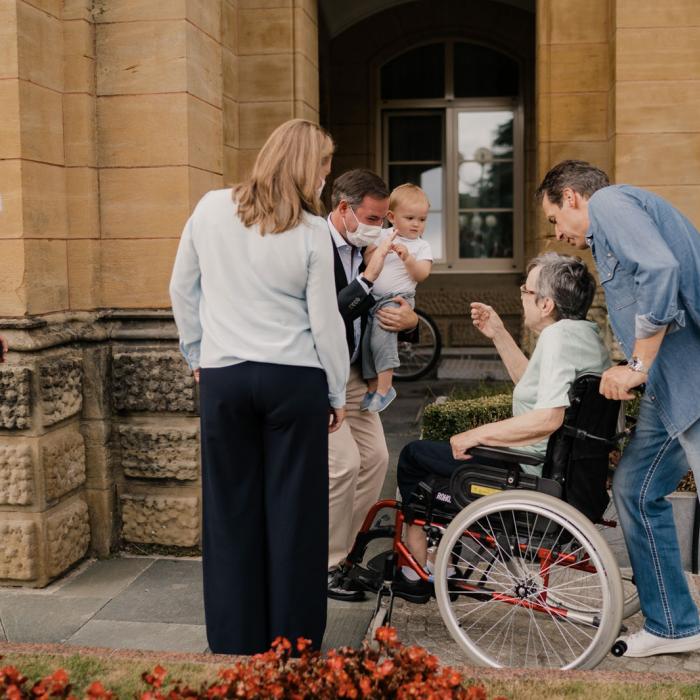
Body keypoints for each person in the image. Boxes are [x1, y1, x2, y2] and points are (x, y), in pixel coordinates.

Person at [169, 119, 349, 655]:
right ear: (304, 166)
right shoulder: (314, 232)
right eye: (322, 167)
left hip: (224, 377)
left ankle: (233, 636)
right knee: (295, 511)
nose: (325, 179)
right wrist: (336, 392)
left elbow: (182, 289)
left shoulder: (208, 208)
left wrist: (197, 355)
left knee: (229, 510)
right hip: (293, 379)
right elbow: (325, 323)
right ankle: (292, 640)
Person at [537, 159, 700, 658]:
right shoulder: (618, 219)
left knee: (636, 489)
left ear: (571, 197)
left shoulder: (610, 203)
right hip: (672, 387)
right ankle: (674, 624)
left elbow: (661, 270)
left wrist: (635, 364)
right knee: (634, 487)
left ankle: (675, 623)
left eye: (554, 220)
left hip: (685, 379)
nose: (559, 233)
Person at [396, 252, 610, 599]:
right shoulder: (583, 334)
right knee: (446, 459)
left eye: (526, 291)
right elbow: (536, 387)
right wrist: (498, 333)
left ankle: (418, 568)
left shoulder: (557, 338)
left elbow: (548, 417)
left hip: (529, 473)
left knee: (414, 456)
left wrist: (472, 434)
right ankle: (442, 556)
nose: (521, 296)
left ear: (546, 304)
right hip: (565, 472)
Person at [325, 169, 419, 601]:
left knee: (377, 459)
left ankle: (345, 556)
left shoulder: (369, 247)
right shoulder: (315, 245)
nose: (381, 227)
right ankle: (323, 565)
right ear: (344, 210)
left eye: (384, 219)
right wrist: (366, 278)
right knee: (342, 465)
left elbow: (394, 306)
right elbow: (326, 315)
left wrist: (411, 321)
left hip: (359, 374)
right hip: (323, 375)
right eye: (374, 218)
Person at [361, 184, 433, 413]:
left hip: (397, 299)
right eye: (410, 218)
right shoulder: (382, 235)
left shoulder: (421, 246)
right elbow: (366, 259)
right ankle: (372, 387)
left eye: (422, 219)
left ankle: (386, 388)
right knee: (367, 345)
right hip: (373, 299)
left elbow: (422, 274)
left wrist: (408, 259)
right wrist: (378, 249)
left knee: (381, 340)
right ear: (391, 217)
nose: (416, 224)